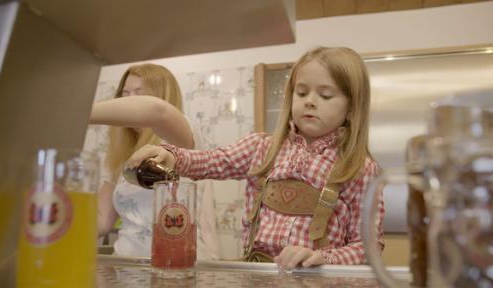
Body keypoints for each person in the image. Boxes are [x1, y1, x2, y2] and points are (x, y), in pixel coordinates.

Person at [126, 46, 384, 269]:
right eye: (302, 92)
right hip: (258, 278)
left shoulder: (360, 169)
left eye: (326, 95)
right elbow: (213, 161)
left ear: (352, 108)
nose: (310, 102)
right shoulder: (263, 148)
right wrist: (172, 156)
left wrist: (322, 257)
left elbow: (368, 247)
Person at [90, 63, 220, 259]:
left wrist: (78, 113)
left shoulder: (183, 136)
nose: (128, 102)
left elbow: (157, 112)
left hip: (178, 266)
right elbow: (102, 220)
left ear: (163, 97)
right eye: (124, 94)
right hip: (128, 269)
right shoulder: (122, 153)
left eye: (139, 94)